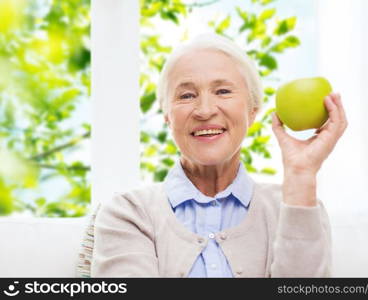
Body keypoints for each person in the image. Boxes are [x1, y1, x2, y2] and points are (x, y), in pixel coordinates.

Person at [91, 33, 348, 278]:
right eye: (187, 95)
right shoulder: (129, 214)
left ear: (252, 110)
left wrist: (301, 175)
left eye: (223, 91)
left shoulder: (296, 207)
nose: (204, 110)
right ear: (167, 115)